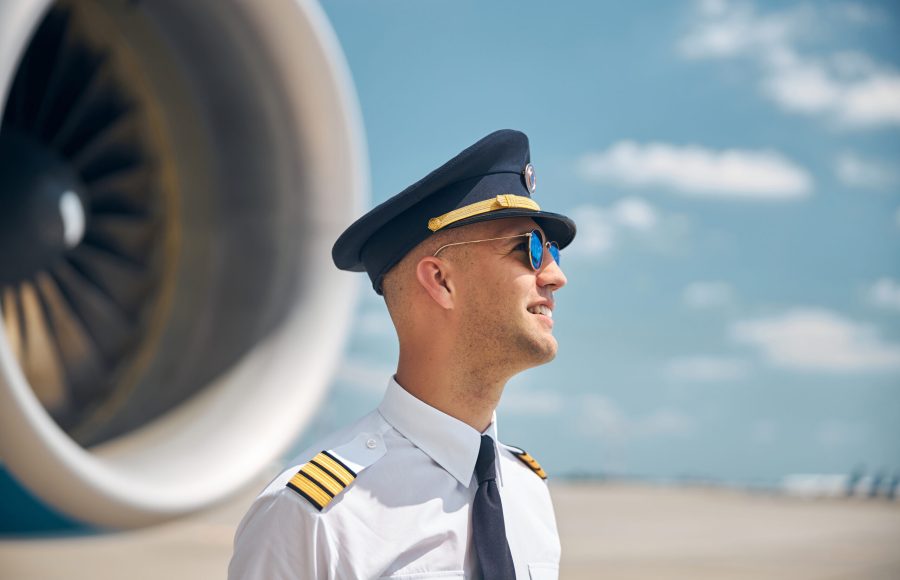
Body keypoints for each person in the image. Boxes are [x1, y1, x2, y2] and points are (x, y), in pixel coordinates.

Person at [228, 129, 576, 579]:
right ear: (441, 280)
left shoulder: (528, 490)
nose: (553, 276)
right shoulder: (314, 517)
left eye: (553, 253)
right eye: (528, 249)